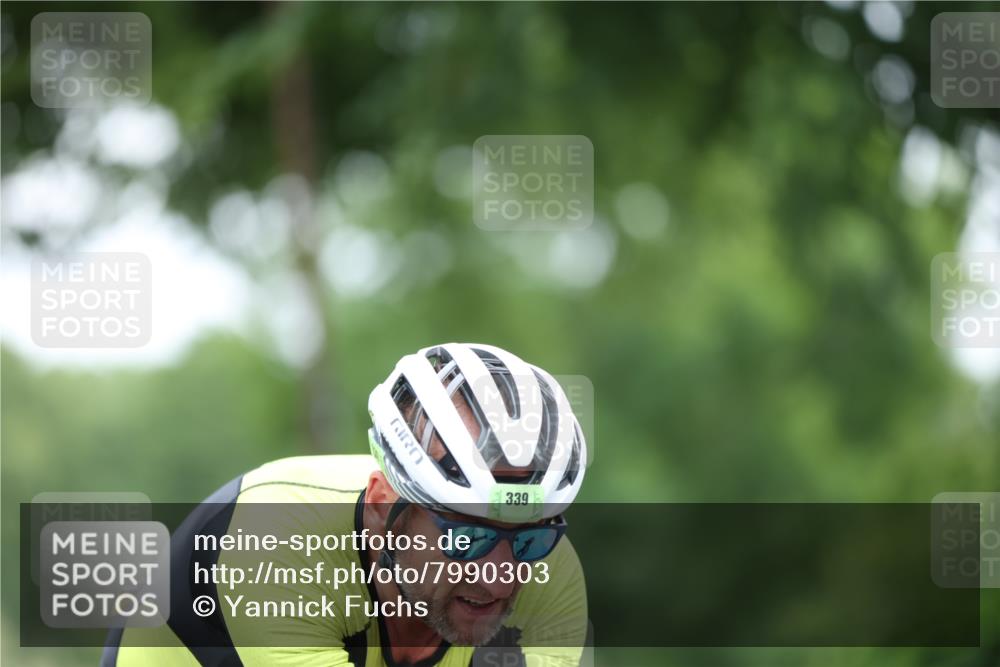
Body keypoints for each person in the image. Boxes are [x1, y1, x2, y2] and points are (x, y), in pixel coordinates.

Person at [105, 342, 589, 666]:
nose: (500, 574)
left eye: (529, 537)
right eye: (468, 536)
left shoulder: (550, 566)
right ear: (382, 507)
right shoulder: (275, 545)